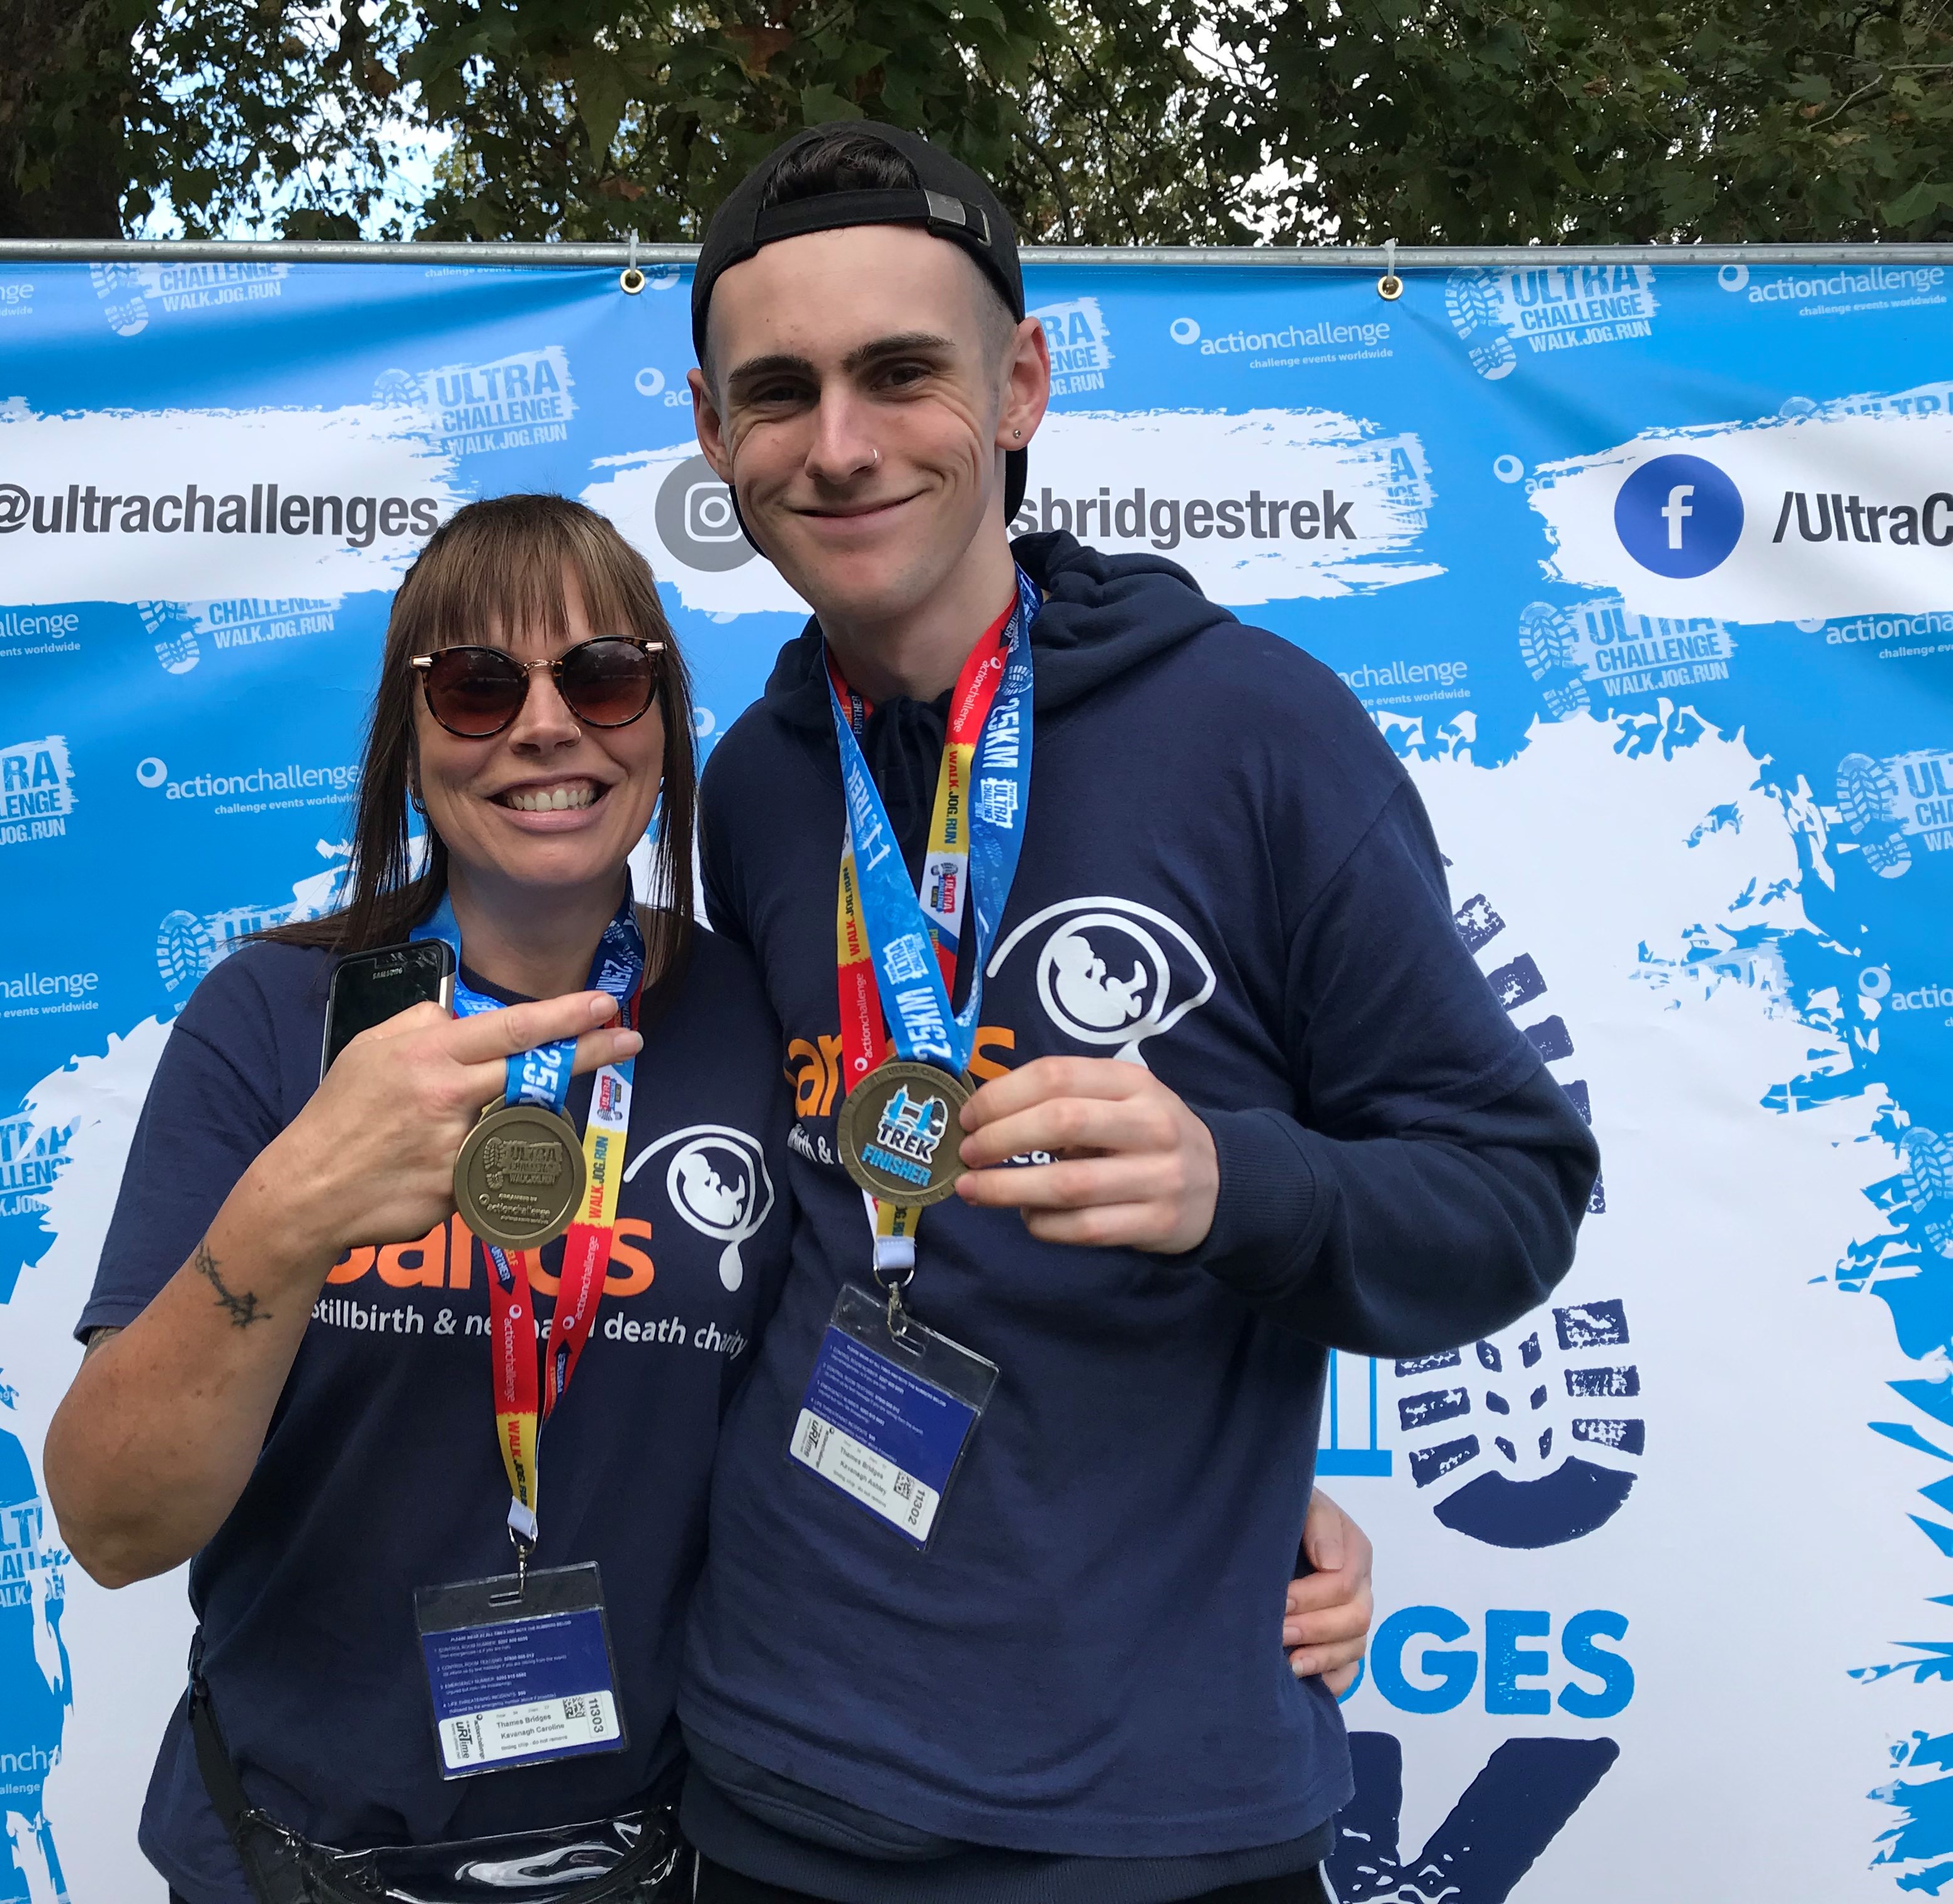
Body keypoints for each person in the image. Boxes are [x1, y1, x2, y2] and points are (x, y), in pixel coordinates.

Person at [42, 494, 1381, 1904]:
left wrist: (1247, 1513)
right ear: (408, 736)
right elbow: (116, 1527)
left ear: (665, 724)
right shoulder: (278, 1020)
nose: (546, 727)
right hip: (299, 1856)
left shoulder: (750, 1012)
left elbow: (927, 1300)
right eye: (479, 685)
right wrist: (288, 1212)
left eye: (603, 678)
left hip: (675, 1855)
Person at [672, 124, 1603, 1904]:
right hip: (770, 1780)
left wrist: (1234, 1188)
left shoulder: (1257, 730)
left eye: (901, 373)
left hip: (1153, 1823)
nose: (840, 443)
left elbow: (1512, 1189)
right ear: (716, 434)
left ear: (1019, 384)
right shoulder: (760, 787)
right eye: (779, 393)